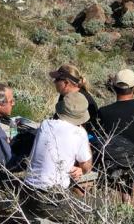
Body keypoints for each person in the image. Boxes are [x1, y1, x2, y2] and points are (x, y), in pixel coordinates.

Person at [24, 92, 93, 220]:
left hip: (27, 192)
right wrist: (84, 137)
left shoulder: (45, 124)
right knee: (90, 211)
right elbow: (87, 167)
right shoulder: (79, 133)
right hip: (51, 198)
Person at [95, 69, 134, 205]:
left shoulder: (104, 112)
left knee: (118, 159)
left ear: (114, 88)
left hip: (115, 160)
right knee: (132, 162)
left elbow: (99, 136)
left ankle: (125, 200)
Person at [49, 64, 99, 134]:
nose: (54, 82)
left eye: (57, 79)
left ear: (66, 83)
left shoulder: (82, 100)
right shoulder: (65, 95)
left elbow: (84, 130)